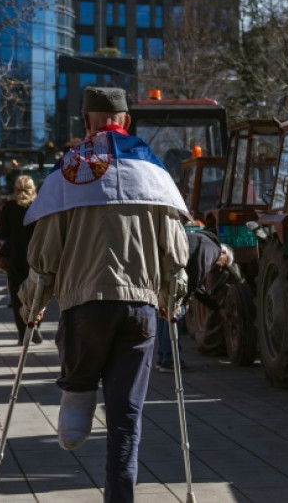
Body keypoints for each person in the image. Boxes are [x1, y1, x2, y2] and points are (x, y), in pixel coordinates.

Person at [18, 86, 190, 503]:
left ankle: (76, 399)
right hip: (141, 309)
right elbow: (175, 250)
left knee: (79, 383)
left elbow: (45, 255)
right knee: (126, 421)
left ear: (86, 121)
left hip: (85, 307)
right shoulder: (153, 173)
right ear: (126, 121)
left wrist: (32, 304)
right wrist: (174, 297)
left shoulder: (68, 172)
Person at [154, 229, 234, 373]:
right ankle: (170, 360)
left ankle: (163, 358)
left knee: (165, 314)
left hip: (165, 268)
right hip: (174, 272)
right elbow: (196, 273)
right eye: (224, 263)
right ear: (223, 253)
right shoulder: (212, 249)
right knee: (175, 315)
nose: (219, 268)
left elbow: (196, 285)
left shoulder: (202, 241)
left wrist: (217, 308)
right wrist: (184, 300)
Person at [0, 177, 39, 345]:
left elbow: (3, 233)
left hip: (14, 256)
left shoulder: (8, 207)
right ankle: (34, 324)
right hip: (36, 256)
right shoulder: (39, 206)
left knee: (17, 296)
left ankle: (23, 333)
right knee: (37, 293)